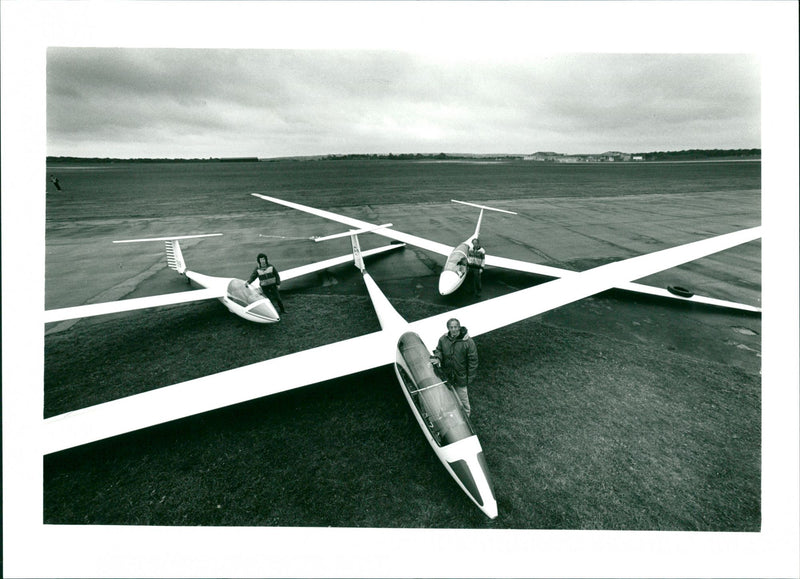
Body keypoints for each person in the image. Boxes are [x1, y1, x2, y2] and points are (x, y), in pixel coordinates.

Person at [431, 318, 478, 416]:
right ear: (448, 328)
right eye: (451, 327)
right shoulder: (443, 339)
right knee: (447, 398)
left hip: (461, 377)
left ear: (459, 327)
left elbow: (473, 361)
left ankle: (466, 420)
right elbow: (439, 350)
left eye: (455, 327)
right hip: (447, 375)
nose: (454, 329)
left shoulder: (468, 342)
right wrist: (437, 358)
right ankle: (449, 417)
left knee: (463, 400)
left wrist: (469, 378)